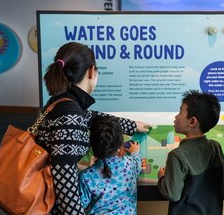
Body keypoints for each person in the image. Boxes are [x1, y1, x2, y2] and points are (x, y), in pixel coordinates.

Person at [36, 41, 150, 214]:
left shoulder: (65, 103)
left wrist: (132, 125)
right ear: (91, 71)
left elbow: (93, 117)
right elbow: (63, 173)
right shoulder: (70, 112)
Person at [157, 90, 224, 215]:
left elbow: (172, 194)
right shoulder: (215, 146)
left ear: (192, 122)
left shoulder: (177, 155)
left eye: (180, 112)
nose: (176, 116)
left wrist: (162, 177)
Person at [78, 115, 141, 215]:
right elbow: (137, 162)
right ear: (121, 144)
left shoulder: (85, 177)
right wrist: (135, 152)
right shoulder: (131, 165)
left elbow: (79, 205)